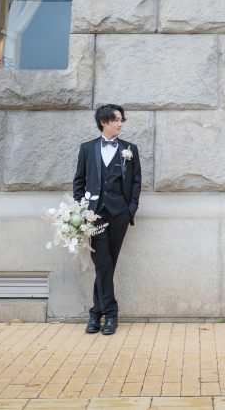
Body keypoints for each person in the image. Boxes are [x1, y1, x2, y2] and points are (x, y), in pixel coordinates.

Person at [72, 104, 142, 336]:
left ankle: (96, 313)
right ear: (104, 122)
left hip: (120, 214)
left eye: (122, 120)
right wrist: (83, 211)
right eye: (116, 120)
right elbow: (79, 182)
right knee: (102, 262)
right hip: (94, 215)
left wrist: (130, 209)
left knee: (108, 264)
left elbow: (136, 183)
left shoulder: (130, 149)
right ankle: (108, 314)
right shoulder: (87, 148)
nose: (120, 124)